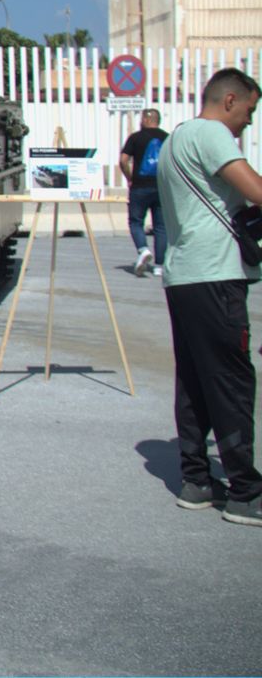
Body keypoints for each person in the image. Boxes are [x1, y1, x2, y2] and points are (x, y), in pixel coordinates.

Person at [157, 68, 262, 527]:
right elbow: (256, 191)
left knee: (196, 381)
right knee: (232, 382)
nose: (249, 123)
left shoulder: (176, 139)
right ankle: (246, 492)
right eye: (249, 112)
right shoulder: (213, 133)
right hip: (216, 276)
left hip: (183, 275)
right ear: (230, 100)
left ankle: (197, 480)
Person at [121, 109, 169, 277]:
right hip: (162, 188)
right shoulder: (168, 138)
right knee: (161, 227)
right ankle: (159, 266)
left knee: (135, 222)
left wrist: (129, 177)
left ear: (145, 120)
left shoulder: (136, 137)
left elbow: (123, 160)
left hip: (140, 188)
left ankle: (143, 249)